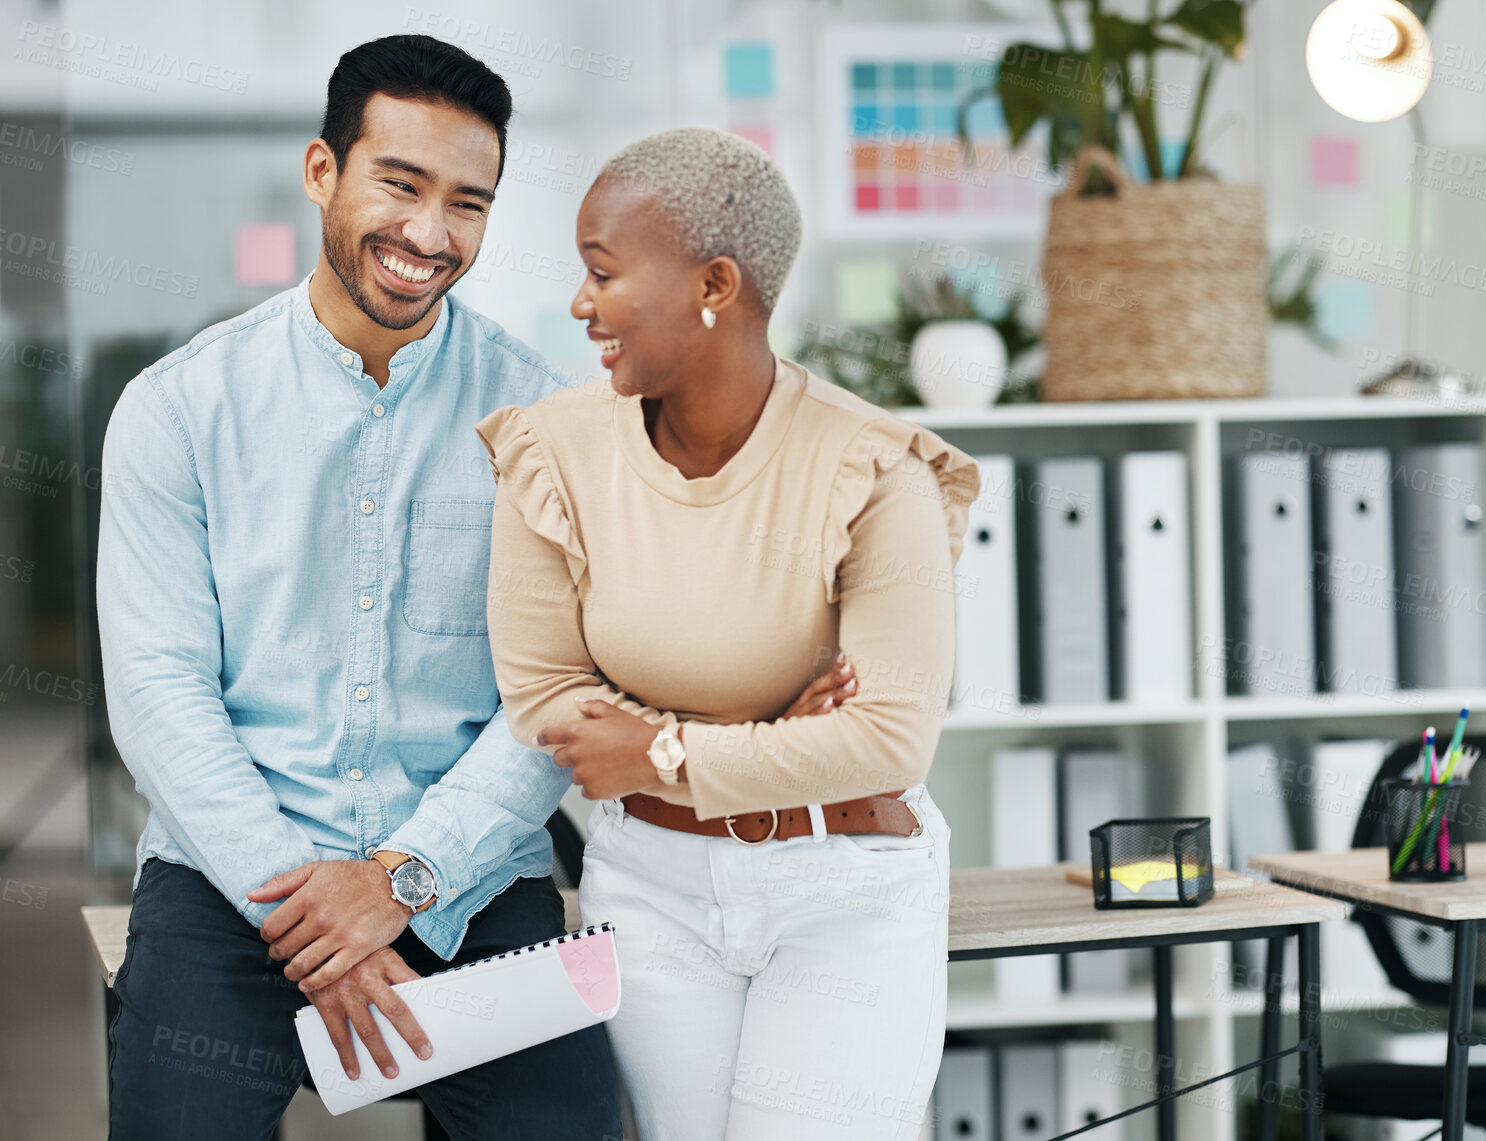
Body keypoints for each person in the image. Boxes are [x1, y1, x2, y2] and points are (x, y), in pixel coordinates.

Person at [95, 35, 625, 1139]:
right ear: (322, 172)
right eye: (399, 183)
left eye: (466, 204)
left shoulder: (546, 425)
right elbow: (158, 693)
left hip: (470, 875)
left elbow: (555, 692)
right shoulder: (177, 409)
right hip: (233, 881)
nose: (430, 235)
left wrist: (407, 875)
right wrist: (312, 909)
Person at [476, 127, 979, 1140]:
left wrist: (664, 746)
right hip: (652, 885)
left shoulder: (876, 470)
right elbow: (548, 702)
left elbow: (886, 742)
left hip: (848, 889)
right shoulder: (551, 450)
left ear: (714, 283)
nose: (582, 303)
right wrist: (776, 741)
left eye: (604, 272)